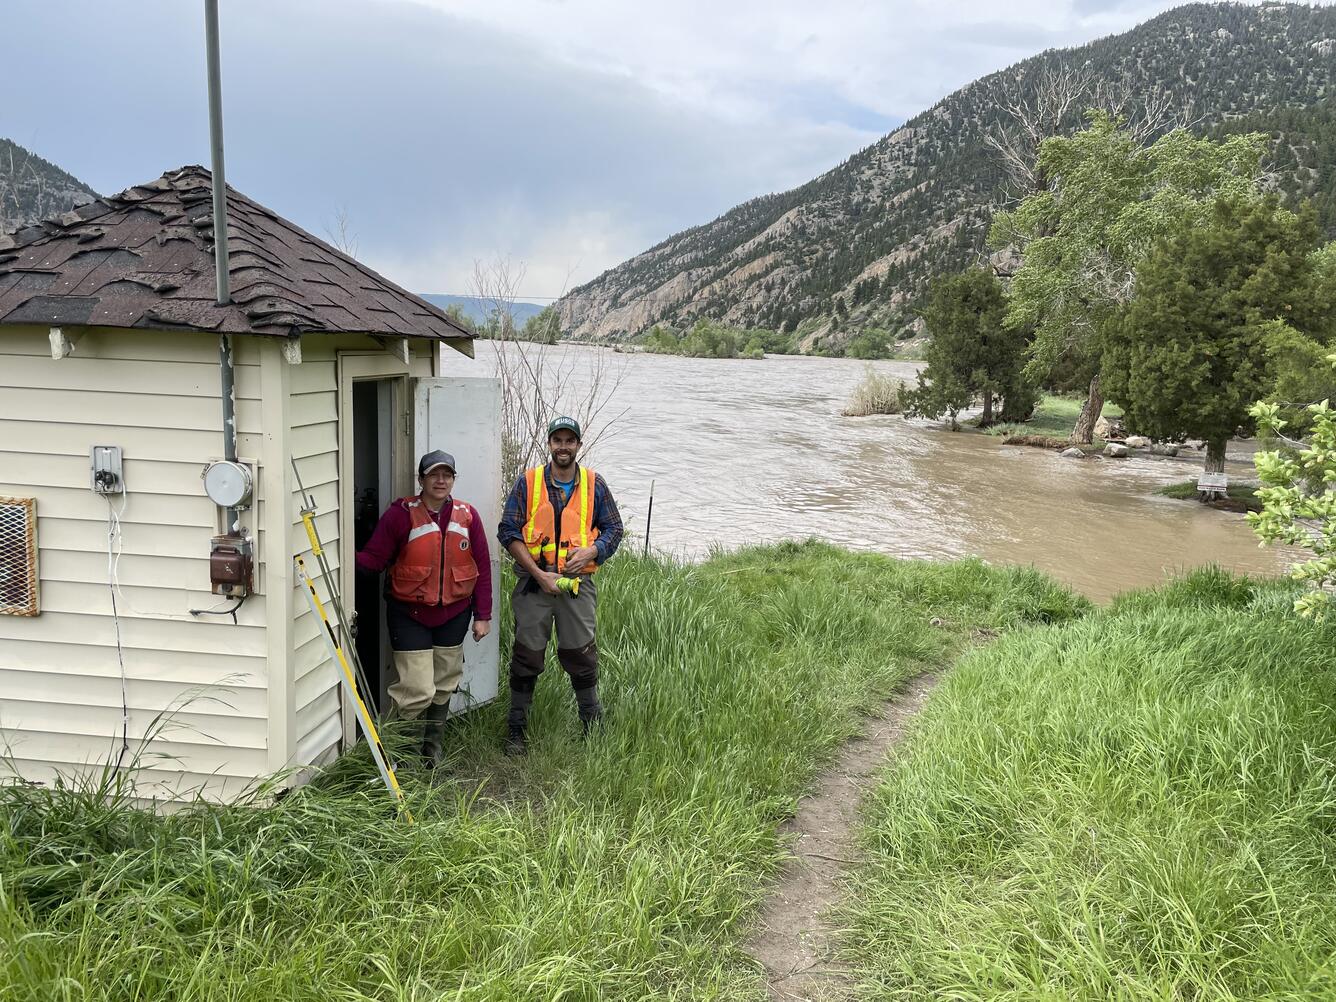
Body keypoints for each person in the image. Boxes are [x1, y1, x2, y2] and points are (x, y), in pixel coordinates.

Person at [356, 450, 492, 766]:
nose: (441, 481)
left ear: (453, 480)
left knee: (444, 684)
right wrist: (343, 559)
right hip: (410, 616)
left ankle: (431, 751)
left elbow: (482, 567)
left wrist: (482, 615)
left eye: (447, 475)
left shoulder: (467, 516)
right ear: (421, 480)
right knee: (416, 688)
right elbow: (374, 560)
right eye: (434, 475)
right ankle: (399, 755)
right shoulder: (400, 515)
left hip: (454, 614)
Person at [496, 416, 622, 754]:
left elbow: (614, 529)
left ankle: (592, 727)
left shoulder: (596, 484)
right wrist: (539, 575)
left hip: (577, 587)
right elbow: (507, 531)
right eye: (557, 440)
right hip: (534, 587)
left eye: (570, 440)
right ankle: (516, 731)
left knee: (581, 656)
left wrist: (594, 551)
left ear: (579, 445)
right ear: (549, 444)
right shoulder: (528, 483)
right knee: (526, 657)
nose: (563, 446)